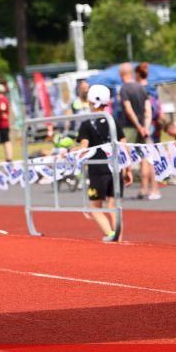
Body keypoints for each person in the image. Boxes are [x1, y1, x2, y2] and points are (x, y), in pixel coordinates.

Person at [71, 84, 132, 243]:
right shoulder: (113, 121)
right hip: (116, 167)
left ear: (90, 101)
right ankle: (118, 238)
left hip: (98, 169)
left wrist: (71, 150)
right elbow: (124, 146)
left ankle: (111, 234)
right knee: (113, 205)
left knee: (94, 207)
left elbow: (84, 147)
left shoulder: (87, 124)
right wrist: (128, 168)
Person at [116, 63, 152, 198]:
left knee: (124, 156)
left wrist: (137, 126)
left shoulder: (124, 89)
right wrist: (145, 127)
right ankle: (144, 189)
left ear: (121, 74)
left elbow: (128, 109)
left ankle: (120, 189)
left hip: (128, 127)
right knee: (143, 157)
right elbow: (148, 110)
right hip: (143, 127)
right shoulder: (141, 88)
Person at [133, 62, 160, 200]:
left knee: (147, 159)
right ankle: (144, 188)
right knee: (146, 158)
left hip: (145, 127)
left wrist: (145, 127)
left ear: (138, 74)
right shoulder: (153, 88)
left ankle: (153, 189)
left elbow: (147, 110)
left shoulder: (140, 89)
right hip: (153, 126)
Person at [0, 83, 12, 162]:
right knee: (4, 140)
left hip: (3, 124)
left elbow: (2, 108)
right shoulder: (2, 99)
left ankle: (9, 157)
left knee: (6, 140)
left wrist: (2, 113)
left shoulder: (2, 100)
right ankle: (8, 157)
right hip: (1, 124)